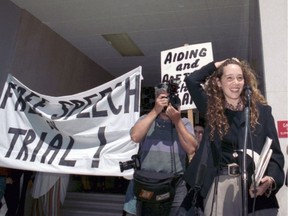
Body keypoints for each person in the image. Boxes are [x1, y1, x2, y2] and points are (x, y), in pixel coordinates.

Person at [183, 58, 285, 216]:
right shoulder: (212, 109)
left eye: (240, 77)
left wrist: (270, 179)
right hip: (221, 186)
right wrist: (220, 64)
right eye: (229, 77)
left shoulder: (262, 112)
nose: (235, 83)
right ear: (218, 82)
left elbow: (275, 155)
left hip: (254, 189)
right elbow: (192, 80)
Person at [130, 82, 198, 215]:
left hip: (176, 184)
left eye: (170, 98)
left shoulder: (184, 122)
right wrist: (155, 110)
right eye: (163, 98)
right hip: (149, 182)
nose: (167, 103)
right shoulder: (146, 119)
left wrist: (177, 121)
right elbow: (135, 137)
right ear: (156, 100)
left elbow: (191, 149)